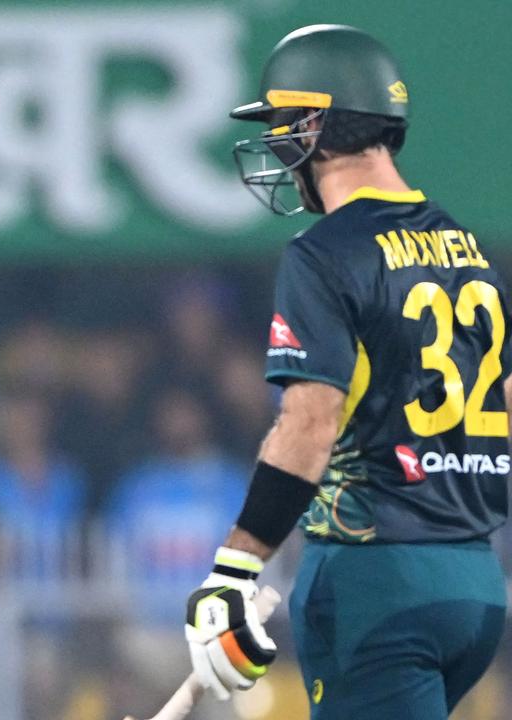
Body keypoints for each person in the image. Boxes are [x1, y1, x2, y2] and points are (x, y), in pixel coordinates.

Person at [183, 25, 509, 719]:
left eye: (279, 125)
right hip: (476, 583)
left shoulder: (324, 253)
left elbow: (309, 423)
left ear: (314, 125)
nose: (274, 146)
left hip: (375, 578)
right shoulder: (467, 249)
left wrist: (234, 569)